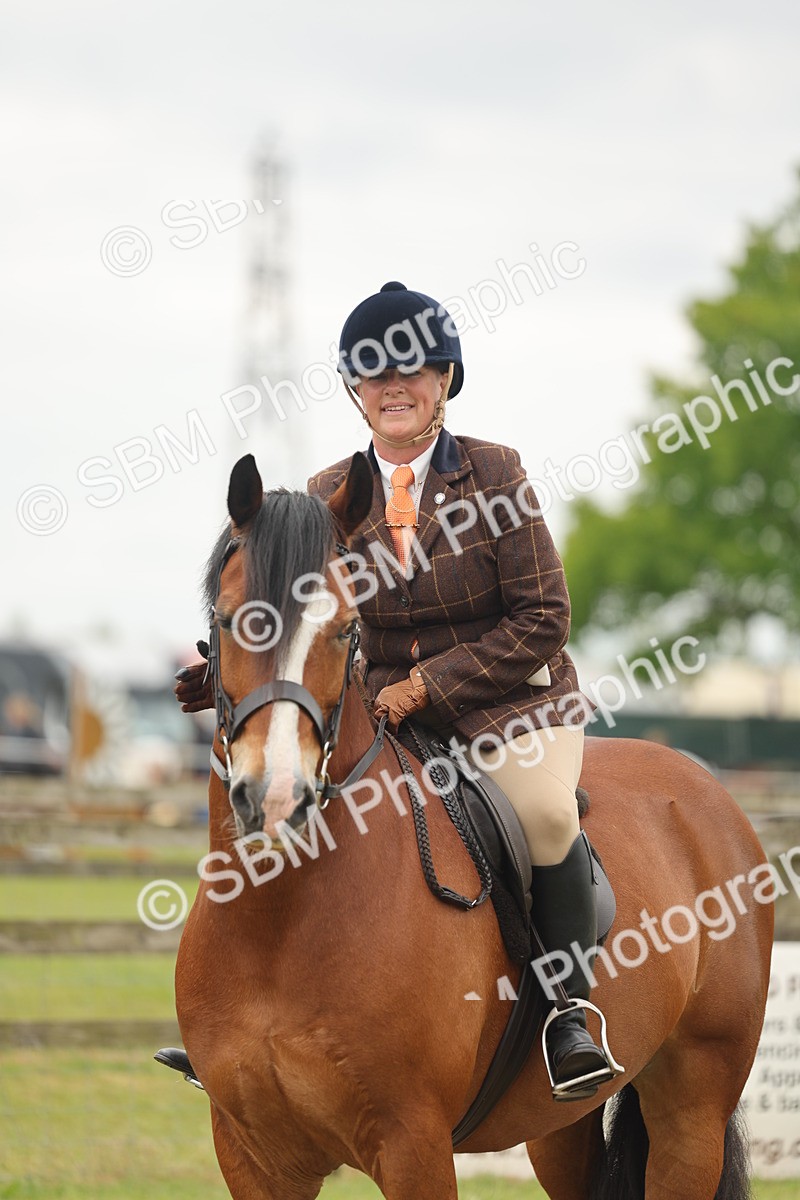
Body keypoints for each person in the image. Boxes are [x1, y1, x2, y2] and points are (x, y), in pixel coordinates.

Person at [175, 281, 618, 1101]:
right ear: (355, 390)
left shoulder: (495, 473)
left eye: (412, 371)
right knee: (279, 808)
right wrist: (223, 676)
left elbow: (544, 616)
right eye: (375, 375)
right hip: (377, 711)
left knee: (550, 815)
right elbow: (292, 623)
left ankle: (567, 1011)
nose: (394, 388)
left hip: (511, 706)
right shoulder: (323, 494)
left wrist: (425, 687)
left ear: (445, 379)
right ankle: (239, 1019)